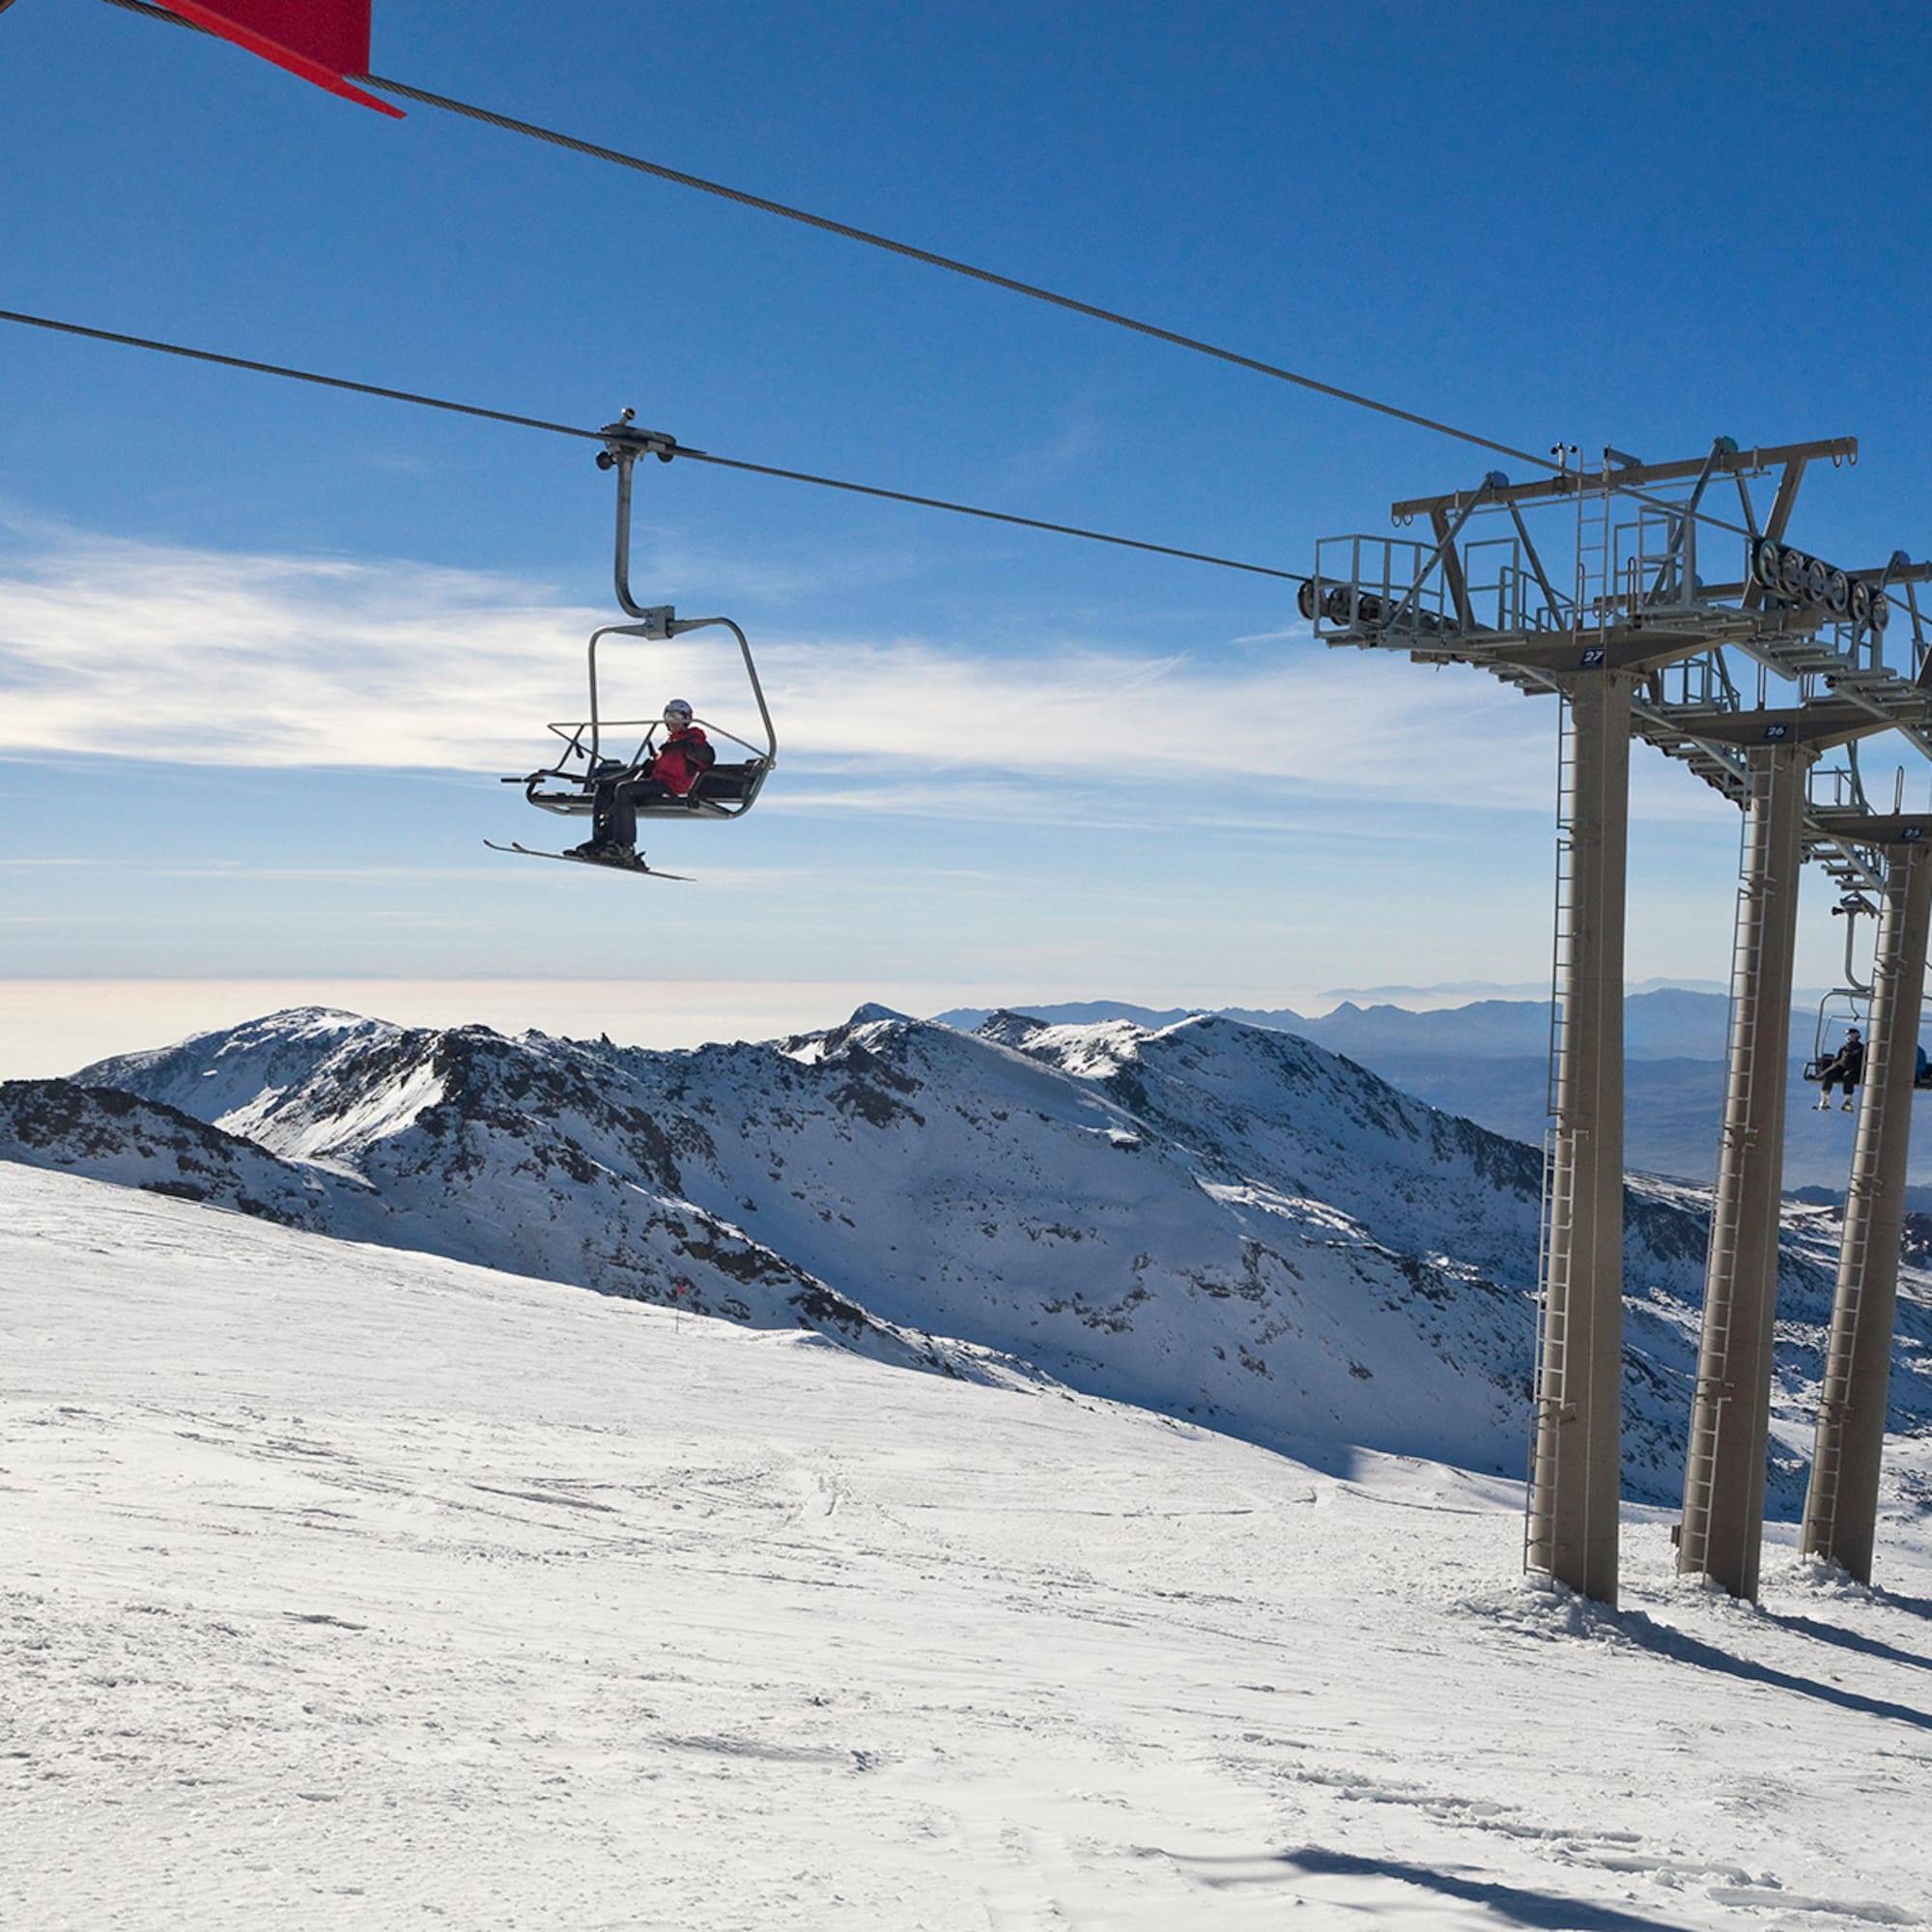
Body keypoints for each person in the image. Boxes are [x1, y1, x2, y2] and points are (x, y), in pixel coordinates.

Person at [568, 700, 716, 863]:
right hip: (657, 783)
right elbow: (662, 766)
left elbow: (707, 759)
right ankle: (601, 841)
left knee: (625, 790)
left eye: (676, 717)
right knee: (606, 787)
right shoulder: (669, 744)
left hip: (673, 787)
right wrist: (650, 766)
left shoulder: (694, 739)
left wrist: (696, 752)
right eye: (669, 717)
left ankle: (624, 847)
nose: (672, 721)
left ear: (686, 719)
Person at [1815, 1027, 1864, 1112]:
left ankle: (1848, 1101)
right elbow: (1838, 1060)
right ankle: (1824, 1099)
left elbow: (1861, 1062)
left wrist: (1851, 1058)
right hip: (1843, 1069)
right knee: (1830, 1073)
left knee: (1848, 1076)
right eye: (1849, 1035)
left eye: (1852, 1035)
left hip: (1855, 1071)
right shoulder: (1844, 1048)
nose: (1850, 1037)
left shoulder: (1861, 1049)